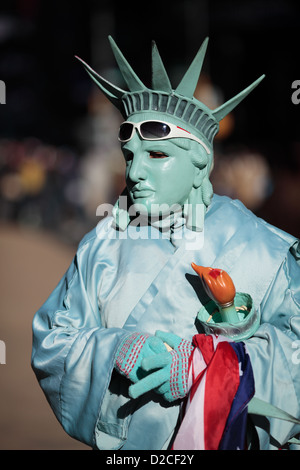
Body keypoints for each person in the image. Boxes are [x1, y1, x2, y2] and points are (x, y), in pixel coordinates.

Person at [31, 36, 300, 450]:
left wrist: (204, 367)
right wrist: (116, 350)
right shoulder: (103, 244)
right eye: (130, 155)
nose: (135, 172)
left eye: (157, 156)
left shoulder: (269, 251)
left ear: (200, 165)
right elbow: (52, 340)